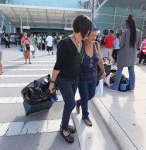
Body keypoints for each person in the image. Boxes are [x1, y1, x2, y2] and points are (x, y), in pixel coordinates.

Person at [48, 14, 92, 143]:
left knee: (69, 104)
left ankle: (65, 124)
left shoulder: (82, 42)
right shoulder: (64, 43)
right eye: (88, 30)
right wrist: (52, 82)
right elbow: (58, 66)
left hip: (75, 79)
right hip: (64, 80)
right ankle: (63, 128)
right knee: (71, 103)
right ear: (83, 29)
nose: (89, 32)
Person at [76, 24, 106, 126]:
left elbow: (100, 60)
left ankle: (78, 103)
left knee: (92, 94)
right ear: (85, 34)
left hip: (93, 76)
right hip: (82, 77)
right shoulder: (80, 44)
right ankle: (85, 116)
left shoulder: (96, 44)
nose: (93, 38)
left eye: (95, 35)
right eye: (91, 35)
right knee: (85, 97)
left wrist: (103, 71)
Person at [110, 15, 141, 91]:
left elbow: (120, 45)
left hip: (123, 55)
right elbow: (139, 45)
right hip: (132, 56)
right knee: (131, 71)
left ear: (128, 24)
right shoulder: (139, 32)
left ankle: (115, 87)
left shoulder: (125, 32)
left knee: (119, 70)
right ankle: (131, 87)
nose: (125, 25)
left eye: (126, 24)